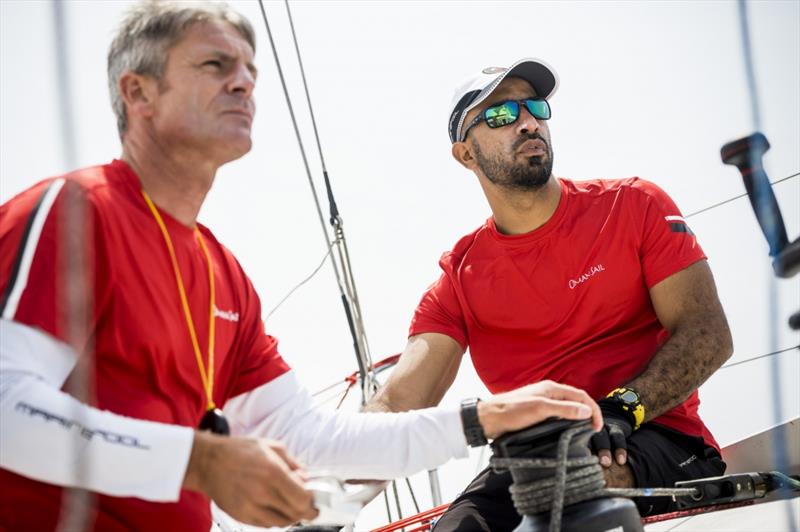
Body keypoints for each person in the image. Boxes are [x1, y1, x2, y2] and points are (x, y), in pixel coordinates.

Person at [0, 7, 604, 532]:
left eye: (249, 71)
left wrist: (486, 418)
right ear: (138, 94)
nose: (243, 84)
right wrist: (198, 461)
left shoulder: (221, 275)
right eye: (215, 66)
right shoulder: (76, 215)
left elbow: (312, 442)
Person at [365, 58, 734, 530]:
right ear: (466, 155)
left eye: (533, 107)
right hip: (537, 458)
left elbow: (708, 333)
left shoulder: (634, 205)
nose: (526, 122)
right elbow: (398, 403)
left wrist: (622, 409)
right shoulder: (459, 279)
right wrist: (322, 487)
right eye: (500, 114)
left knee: (570, 485)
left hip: (657, 433)